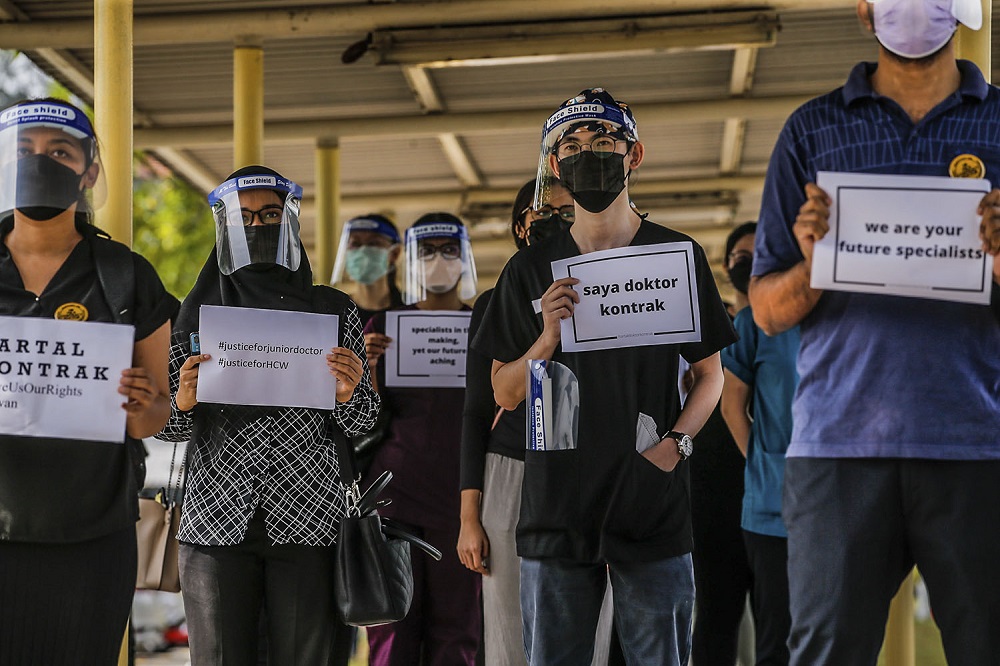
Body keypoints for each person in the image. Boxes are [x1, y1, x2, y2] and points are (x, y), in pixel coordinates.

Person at [749, 2, 1000, 663]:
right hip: (837, 452)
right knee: (825, 653)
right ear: (863, 8)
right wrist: (815, 263)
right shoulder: (812, 129)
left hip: (980, 448)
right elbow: (768, 310)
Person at [473, 88, 736, 666]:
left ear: (633, 154)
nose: (587, 152)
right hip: (556, 506)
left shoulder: (677, 256)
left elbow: (710, 375)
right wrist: (544, 340)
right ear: (554, 164)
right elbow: (503, 391)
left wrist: (676, 446)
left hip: (650, 502)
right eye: (571, 144)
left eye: (604, 141)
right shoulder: (527, 270)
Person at [157, 165, 378, 666]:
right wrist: (184, 400)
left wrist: (348, 391)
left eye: (271, 215)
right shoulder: (196, 313)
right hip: (215, 520)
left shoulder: (332, 309)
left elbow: (364, 421)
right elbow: (166, 426)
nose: (258, 227)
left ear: (291, 222)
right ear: (225, 227)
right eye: (245, 217)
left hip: (307, 519)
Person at [0, 98, 178, 664]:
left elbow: (157, 415)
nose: (40, 162)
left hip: (93, 537)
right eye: (24, 151)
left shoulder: (125, 275)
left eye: (59, 151)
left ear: (89, 171)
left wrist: (140, 405)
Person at [458, 179, 615, 666]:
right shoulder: (494, 303)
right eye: (539, 213)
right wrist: (469, 518)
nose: (551, 223)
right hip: (513, 468)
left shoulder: (611, 292)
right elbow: (479, 408)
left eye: (566, 213)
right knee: (509, 630)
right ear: (520, 225)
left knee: (589, 627)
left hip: (591, 468)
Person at [363, 213, 483, 666]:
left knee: (458, 631)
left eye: (449, 251)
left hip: (462, 500)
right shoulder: (383, 328)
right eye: (427, 252)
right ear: (410, 261)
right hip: (394, 498)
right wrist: (370, 370)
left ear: (464, 257)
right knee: (392, 629)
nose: (438, 261)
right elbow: (363, 418)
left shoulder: (482, 329)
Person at [719, 221, 799, 666]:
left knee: (841, 635)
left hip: (841, 506)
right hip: (772, 510)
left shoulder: (842, 313)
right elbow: (733, 405)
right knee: (777, 640)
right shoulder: (754, 322)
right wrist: (762, 464)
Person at [331, 213, 404, 325]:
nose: (363, 251)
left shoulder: (408, 311)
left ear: (395, 253)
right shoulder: (336, 313)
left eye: (373, 243)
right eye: (355, 243)